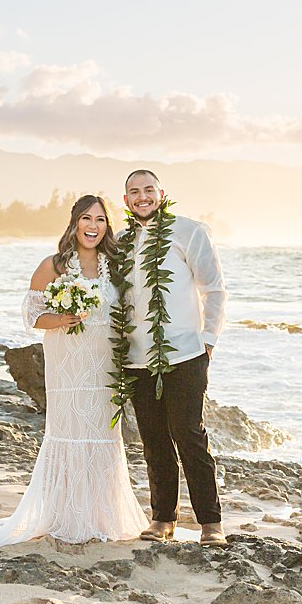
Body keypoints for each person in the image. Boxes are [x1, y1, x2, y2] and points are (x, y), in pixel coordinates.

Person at [0, 195, 148, 549]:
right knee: (69, 430)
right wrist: (64, 318)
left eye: (100, 220)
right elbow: (32, 316)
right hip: (67, 362)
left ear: (107, 226)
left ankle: (102, 514)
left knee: (103, 432)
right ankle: (64, 513)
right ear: (74, 223)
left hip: (104, 364)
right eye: (86, 219)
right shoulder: (53, 265)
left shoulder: (116, 265)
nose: (93, 226)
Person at [116, 168, 228, 547]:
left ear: (161, 194)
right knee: (153, 440)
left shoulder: (189, 231)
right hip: (136, 358)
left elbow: (214, 289)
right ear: (126, 200)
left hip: (186, 352)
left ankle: (211, 522)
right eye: (135, 192)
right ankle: (163, 518)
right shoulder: (120, 242)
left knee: (188, 434)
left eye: (149, 190)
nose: (142, 196)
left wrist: (209, 339)